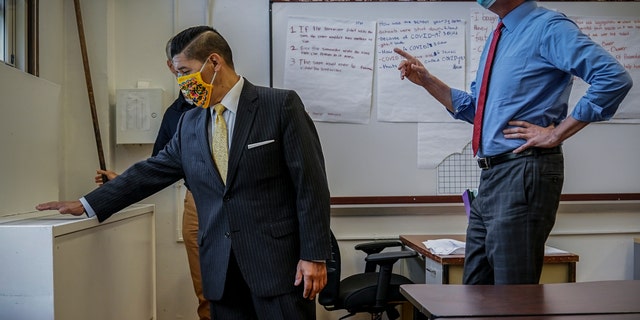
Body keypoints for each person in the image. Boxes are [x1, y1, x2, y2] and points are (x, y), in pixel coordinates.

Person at [37, 25, 332, 319]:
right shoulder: (189, 122)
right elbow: (151, 170)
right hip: (221, 271)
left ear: (214, 62)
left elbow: (311, 186)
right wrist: (87, 203)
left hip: (278, 267)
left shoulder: (279, 105)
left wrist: (313, 255)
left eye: (184, 71)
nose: (182, 82)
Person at [394, 0, 632, 285]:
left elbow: (613, 78)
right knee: (475, 291)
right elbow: (477, 112)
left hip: (523, 170)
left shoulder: (548, 27)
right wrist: (428, 81)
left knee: (512, 293)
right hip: (491, 176)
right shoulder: (500, 35)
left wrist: (556, 133)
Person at [95, 38, 208, 319]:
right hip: (197, 203)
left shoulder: (248, 104)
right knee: (207, 291)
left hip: (241, 201)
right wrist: (122, 180)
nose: (184, 76)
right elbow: (161, 165)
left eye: (189, 68)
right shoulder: (175, 114)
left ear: (214, 62)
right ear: (171, 66)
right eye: (179, 70)